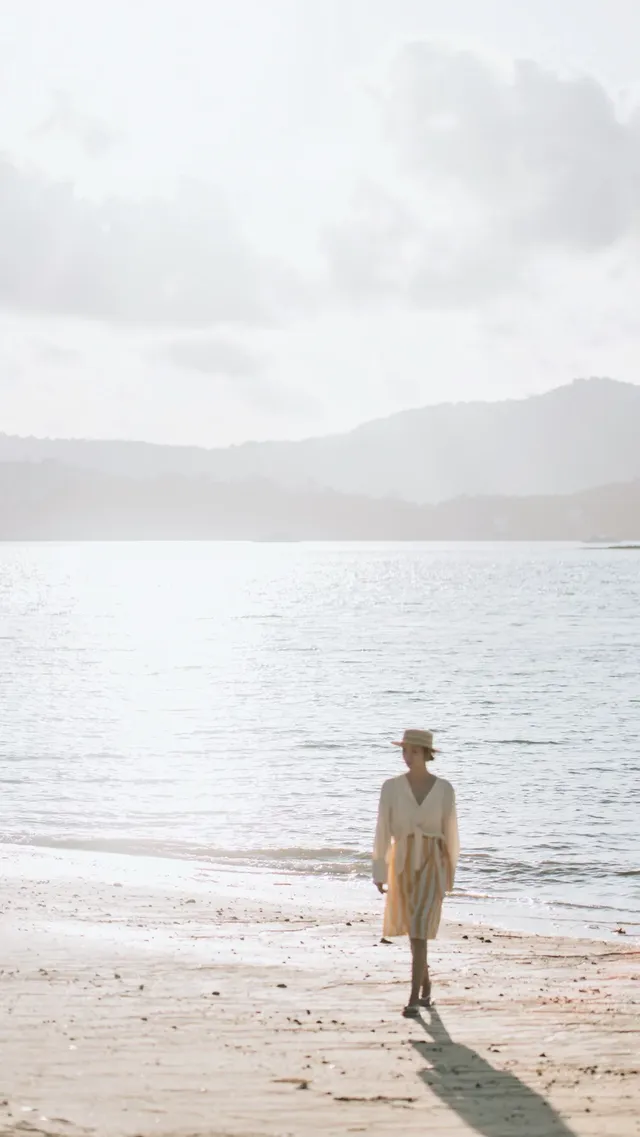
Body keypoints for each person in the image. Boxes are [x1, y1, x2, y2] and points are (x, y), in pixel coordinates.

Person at [373, 728, 459, 1017]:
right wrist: (379, 870)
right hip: (402, 861)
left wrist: (450, 874)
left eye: (413, 751)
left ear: (426, 754)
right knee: (413, 929)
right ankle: (426, 984)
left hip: (433, 860)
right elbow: (383, 830)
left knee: (421, 928)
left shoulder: (445, 789)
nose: (407, 757)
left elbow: (451, 835)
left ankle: (413, 998)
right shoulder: (391, 787)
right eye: (404, 751)